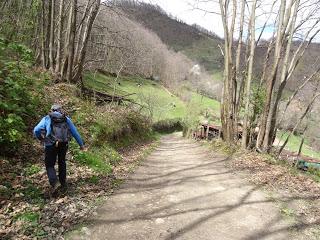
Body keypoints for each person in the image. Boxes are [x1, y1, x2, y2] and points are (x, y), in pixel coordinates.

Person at [33, 104, 86, 193]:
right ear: (60, 110)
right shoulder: (66, 119)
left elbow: (36, 130)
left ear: (52, 110)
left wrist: (41, 138)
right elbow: (75, 132)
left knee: (50, 164)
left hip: (50, 144)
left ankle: (54, 182)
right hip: (63, 144)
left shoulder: (47, 118)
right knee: (62, 162)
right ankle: (63, 183)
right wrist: (81, 145)